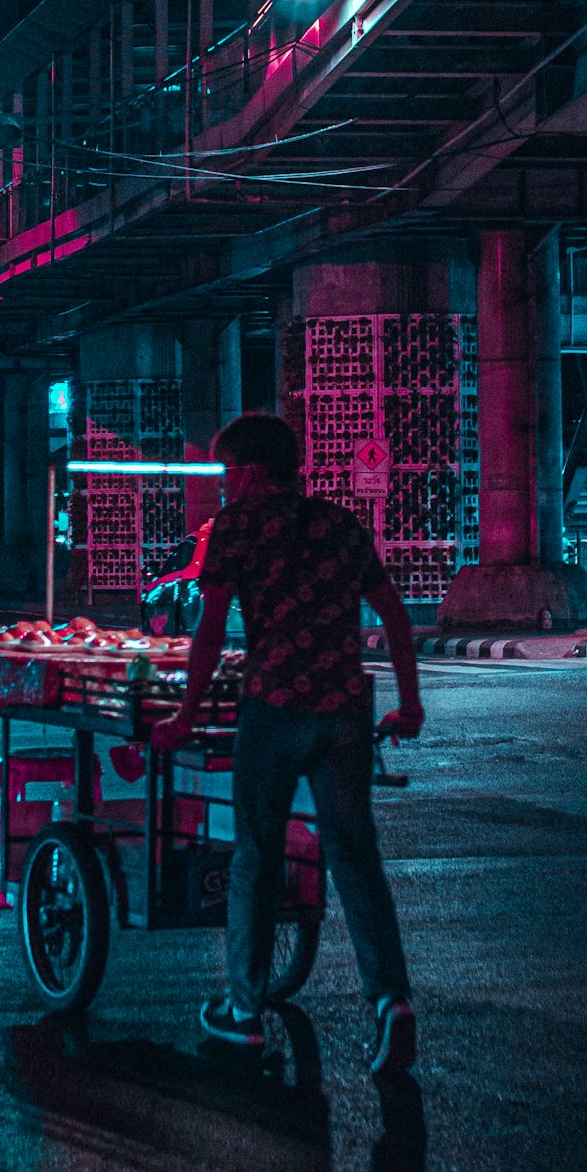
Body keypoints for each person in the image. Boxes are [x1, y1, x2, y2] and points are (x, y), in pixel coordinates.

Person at [149, 411, 423, 1078]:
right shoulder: (339, 523)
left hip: (273, 711)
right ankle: (391, 1000)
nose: (223, 486)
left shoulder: (236, 528)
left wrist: (185, 714)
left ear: (246, 471)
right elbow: (392, 612)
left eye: (225, 473)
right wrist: (410, 701)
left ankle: (244, 1013)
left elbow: (211, 631)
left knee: (256, 857)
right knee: (355, 856)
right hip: (345, 717)